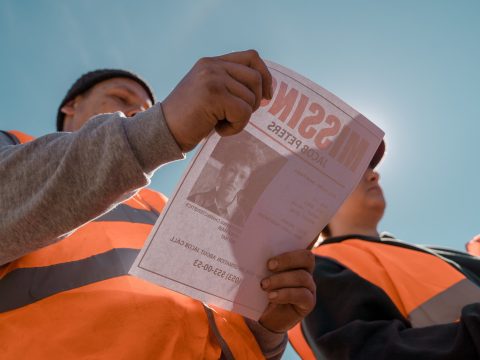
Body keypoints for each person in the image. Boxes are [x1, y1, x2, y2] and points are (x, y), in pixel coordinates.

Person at [0, 50, 315, 359]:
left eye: (148, 108)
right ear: (72, 104)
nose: (138, 111)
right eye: (122, 99)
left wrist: (266, 329)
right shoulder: (14, 146)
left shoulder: (166, 206)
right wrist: (159, 128)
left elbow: (226, 334)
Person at [288, 139, 480, 359]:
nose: (373, 175)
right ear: (317, 197)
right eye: (351, 172)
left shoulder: (434, 255)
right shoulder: (315, 270)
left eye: (370, 168)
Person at [188, 145, 258, 225]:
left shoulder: (241, 219)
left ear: (245, 184)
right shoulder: (197, 200)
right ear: (223, 171)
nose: (234, 180)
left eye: (242, 176)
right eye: (232, 170)